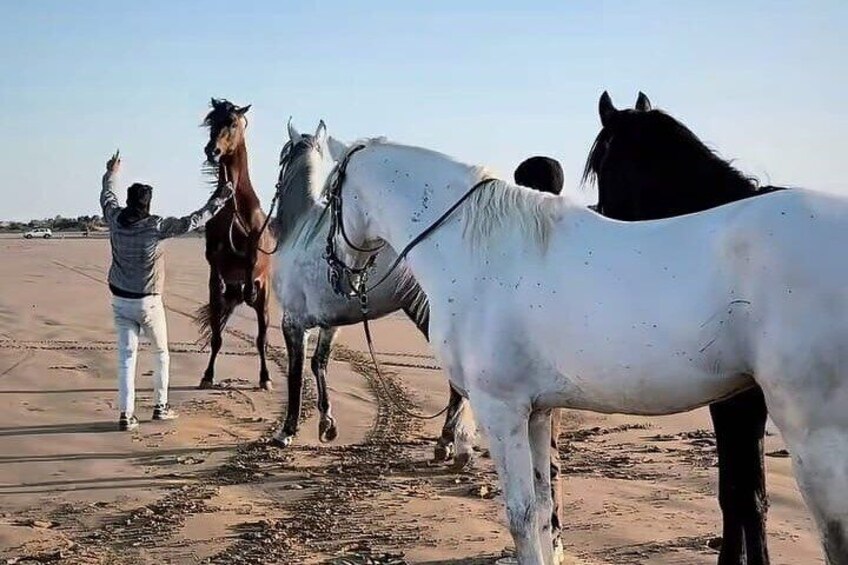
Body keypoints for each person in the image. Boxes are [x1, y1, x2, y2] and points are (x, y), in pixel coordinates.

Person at [100, 150, 233, 431]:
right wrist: (220, 199)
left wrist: (112, 172)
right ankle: (160, 406)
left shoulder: (114, 219)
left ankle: (126, 414)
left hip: (120, 301)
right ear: (147, 204)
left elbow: (107, 196)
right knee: (160, 353)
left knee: (126, 358)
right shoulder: (155, 225)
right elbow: (193, 220)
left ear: (128, 201)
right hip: (148, 303)